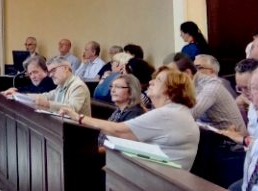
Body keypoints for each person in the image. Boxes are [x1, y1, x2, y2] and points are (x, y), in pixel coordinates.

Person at [60, 67, 200, 170]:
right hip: (158, 176)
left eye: (158, 80)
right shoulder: (174, 112)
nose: (151, 82)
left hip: (162, 183)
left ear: (172, 91)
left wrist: (78, 117)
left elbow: (120, 131)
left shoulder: (168, 114)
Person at [7, 56, 90, 116]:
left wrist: (47, 104)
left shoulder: (78, 86)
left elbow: (72, 108)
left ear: (66, 68)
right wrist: (18, 95)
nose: (50, 75)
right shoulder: (61, 86)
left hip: (79, 132)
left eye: (53, 70)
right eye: (49, 72)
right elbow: (46, 96)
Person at [191, 54, 246, 134]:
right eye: (193, 68)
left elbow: (190, 114)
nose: (194, 72)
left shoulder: (214, 87)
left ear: (212, 72)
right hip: (216, 137)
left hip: (232, 142)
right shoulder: (200, 87)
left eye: (198, 68)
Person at [95, 74, 145, 148]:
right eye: (112, 86)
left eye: (118, 87)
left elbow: (122, 147)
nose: (112, 90)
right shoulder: (119, 110)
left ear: (131, 91)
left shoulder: (134, 113)